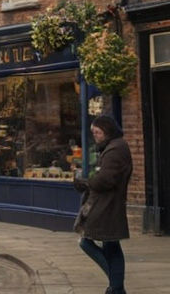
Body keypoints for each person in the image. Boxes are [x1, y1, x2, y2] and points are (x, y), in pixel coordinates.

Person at [74, 114, 132, 294]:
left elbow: (105, 180)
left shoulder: (115, 150)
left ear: (107, 132)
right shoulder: (114, 147)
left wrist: (85, 181)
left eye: (98, 132)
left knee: (86, 242)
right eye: (94, 133)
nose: (95, 136)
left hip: (106, 206)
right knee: (112, 246)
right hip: (108, 205)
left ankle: (116, 285)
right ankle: (116, 287)